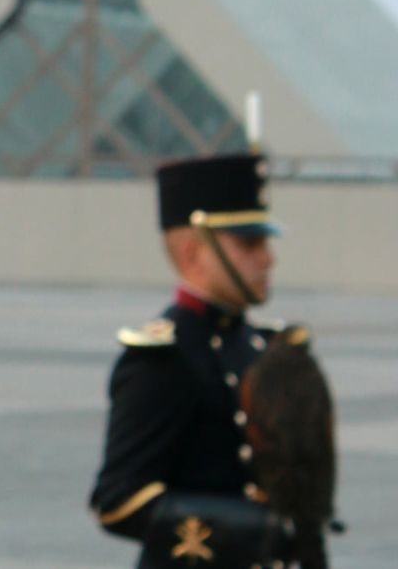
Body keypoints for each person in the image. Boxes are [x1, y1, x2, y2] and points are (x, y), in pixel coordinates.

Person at [89, 153, 304, 568]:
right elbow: (119, 501)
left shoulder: (263, 344)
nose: (268, 258)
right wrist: (248, 528)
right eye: (249, 243)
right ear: (193, 253)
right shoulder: (164, 357)